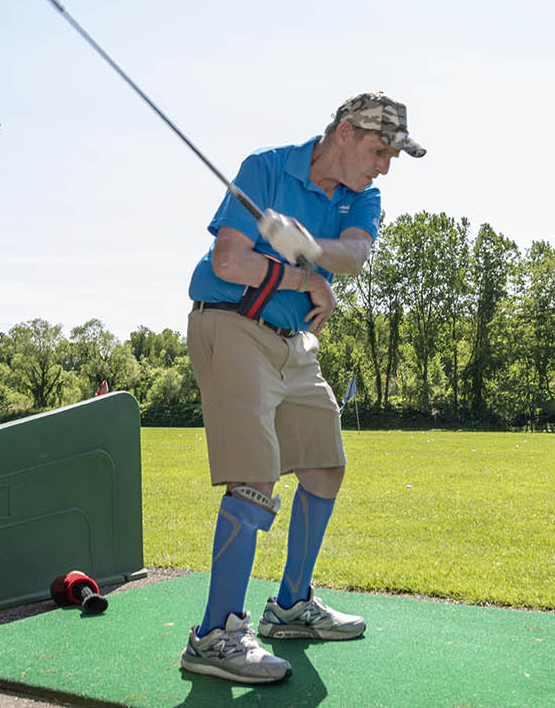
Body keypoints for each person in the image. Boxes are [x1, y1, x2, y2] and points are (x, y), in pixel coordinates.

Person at [181, 92, 425, 684]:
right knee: (256, 475)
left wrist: (311, 254)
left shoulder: (362, 195)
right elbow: (231, 261)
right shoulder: (264, 169)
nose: (385, 166)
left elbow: (357, 254)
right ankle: (215, 635)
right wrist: (300, 276)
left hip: (295, 341)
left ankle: (290, 607)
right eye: (379, 149)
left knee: (324, 463)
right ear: (344, 132)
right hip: (232, 322)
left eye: (393, 155)